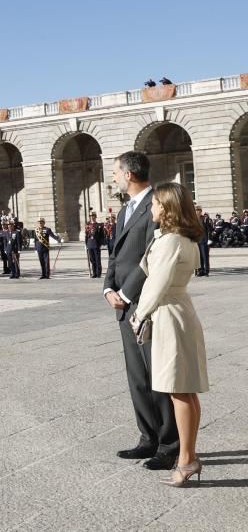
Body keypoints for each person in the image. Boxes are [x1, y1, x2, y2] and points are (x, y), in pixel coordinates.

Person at [104, 151, 178, 471]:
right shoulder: (125, 210)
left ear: (129, 175)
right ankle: (147, 436)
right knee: (137, 375)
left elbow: (152, 255)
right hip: (122, 303)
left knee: (156, 374)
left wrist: (125, 291)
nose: (114, 178)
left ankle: (168, 444)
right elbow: (117, 254)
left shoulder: (155, 205)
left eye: (116, 173)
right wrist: (108, 287)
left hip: (145, 302)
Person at [130, 183, 209, 487]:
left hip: (168, 315)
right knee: (184, 390)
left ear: (164, 207)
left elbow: (156, 283)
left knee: (179, 389)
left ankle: (187, 460)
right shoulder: (181, 238)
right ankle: (189, 457)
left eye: (153, 204)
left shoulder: (170, 241)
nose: (150, 209)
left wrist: (139, 315)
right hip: (180, 310)